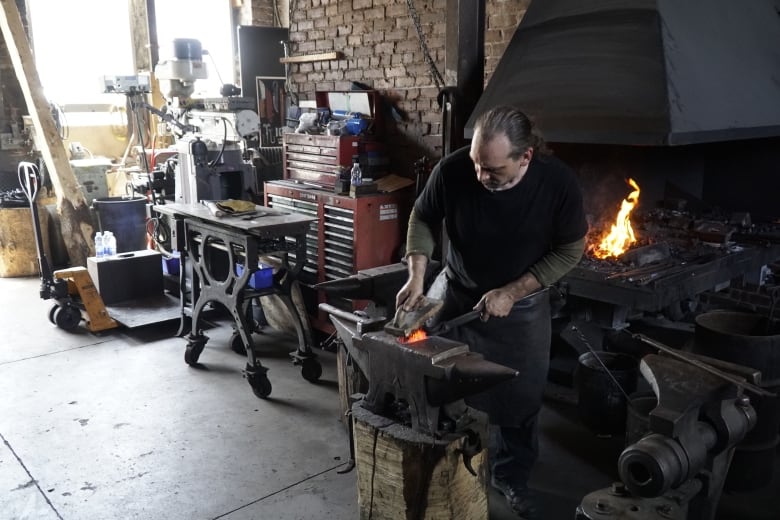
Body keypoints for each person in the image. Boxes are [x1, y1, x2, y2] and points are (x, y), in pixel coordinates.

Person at [395, 105, 588, 518]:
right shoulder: (453, 171)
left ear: (525, 158)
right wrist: (416, 276)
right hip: (457, 290)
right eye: (477, 164)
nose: (482, 177)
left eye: (494, 170)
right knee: (442, 382)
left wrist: (514, 291)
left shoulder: (557, 184)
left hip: (519, 308)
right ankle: (449, 463)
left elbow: (571, 248)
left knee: (519, 399)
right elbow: (424, 216)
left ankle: (510, 476)